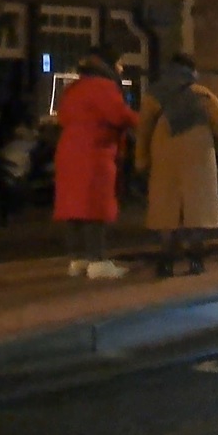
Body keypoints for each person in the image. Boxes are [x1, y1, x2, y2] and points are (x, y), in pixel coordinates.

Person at [135, 54, 218, 276]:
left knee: (166, 208)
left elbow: (143, 130)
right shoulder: (203, 95)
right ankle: (196, 260)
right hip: (199, 155)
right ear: (191, 71)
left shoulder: (153, 96)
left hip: (164, 153)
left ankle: (166, 261)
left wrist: (141, 160)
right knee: (197, 208)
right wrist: (217, 144)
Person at [53, 45, 139, 278]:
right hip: (94, 152)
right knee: (95, 206)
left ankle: (78, 259)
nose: (121, 68)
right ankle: (97, 260)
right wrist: (144, 121)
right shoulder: (103, 86)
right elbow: (120, 115)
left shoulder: (74, 88)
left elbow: (63, 116)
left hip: (69, 151)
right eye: (118, 63)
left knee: (74, 207)